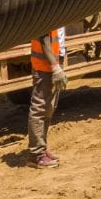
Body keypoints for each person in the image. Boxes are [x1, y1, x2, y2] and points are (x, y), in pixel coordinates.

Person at [28, 25, 66, 169]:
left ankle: (41, 149)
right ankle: (36, 155)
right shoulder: (47, 10)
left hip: (51, 64)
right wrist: (54, 66)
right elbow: (43, 39)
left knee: (48, 108)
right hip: (45, 67)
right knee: (40, 109)